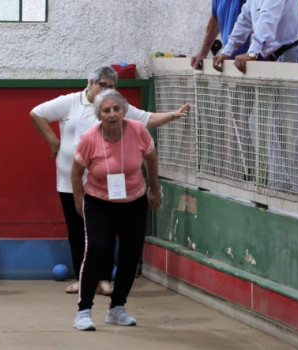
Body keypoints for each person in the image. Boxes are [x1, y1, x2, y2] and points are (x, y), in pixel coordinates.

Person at [30, 66, 188, 295]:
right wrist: (54, 141)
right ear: (90, 82)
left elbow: (148, 119)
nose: (106, 90)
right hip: (70, 178)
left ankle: (103, 279)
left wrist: (173, 115)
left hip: (103, 182)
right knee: (76, 230)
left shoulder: (114, 107)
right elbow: (36, 112)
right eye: (102, 85)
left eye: (111, 87)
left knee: (103, 232)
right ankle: (82, 278)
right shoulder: (71, 102)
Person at [71, 89, 161, 331]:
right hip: (99, 201)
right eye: (106, 110)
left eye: (116, 109)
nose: (112, 114)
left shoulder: (138, 130)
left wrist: (154, 189)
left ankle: (117, 308)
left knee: (131, 254)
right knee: (98, 249)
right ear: (99, 114)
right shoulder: (90, 138)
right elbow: (77, 172)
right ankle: (83, 311)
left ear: (124, 110)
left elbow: (151, 159)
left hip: (134, 200)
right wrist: (79, 200)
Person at [212, 0, 298, 196]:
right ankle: (280, 190)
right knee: (276, 128)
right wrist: (227, 51)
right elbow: (243, 20)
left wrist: (252, 52)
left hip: (293, 56)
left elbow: (268, 18)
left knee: (297, 128)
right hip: (275, 60)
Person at [191, 0, 256, 182]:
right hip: (230, 66)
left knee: (249, 120)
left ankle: (256, 176)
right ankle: (245, 174)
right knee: (236, 120)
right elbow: (214, 21)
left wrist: (253, 52)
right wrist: (203, 52)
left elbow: (258, 19)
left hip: (251, 66)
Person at [190, 0, 250, 70]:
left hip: (254, 61)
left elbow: (260, 20)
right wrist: (203, 52)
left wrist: (252, 54)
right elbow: (215, 20)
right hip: (230, 60)